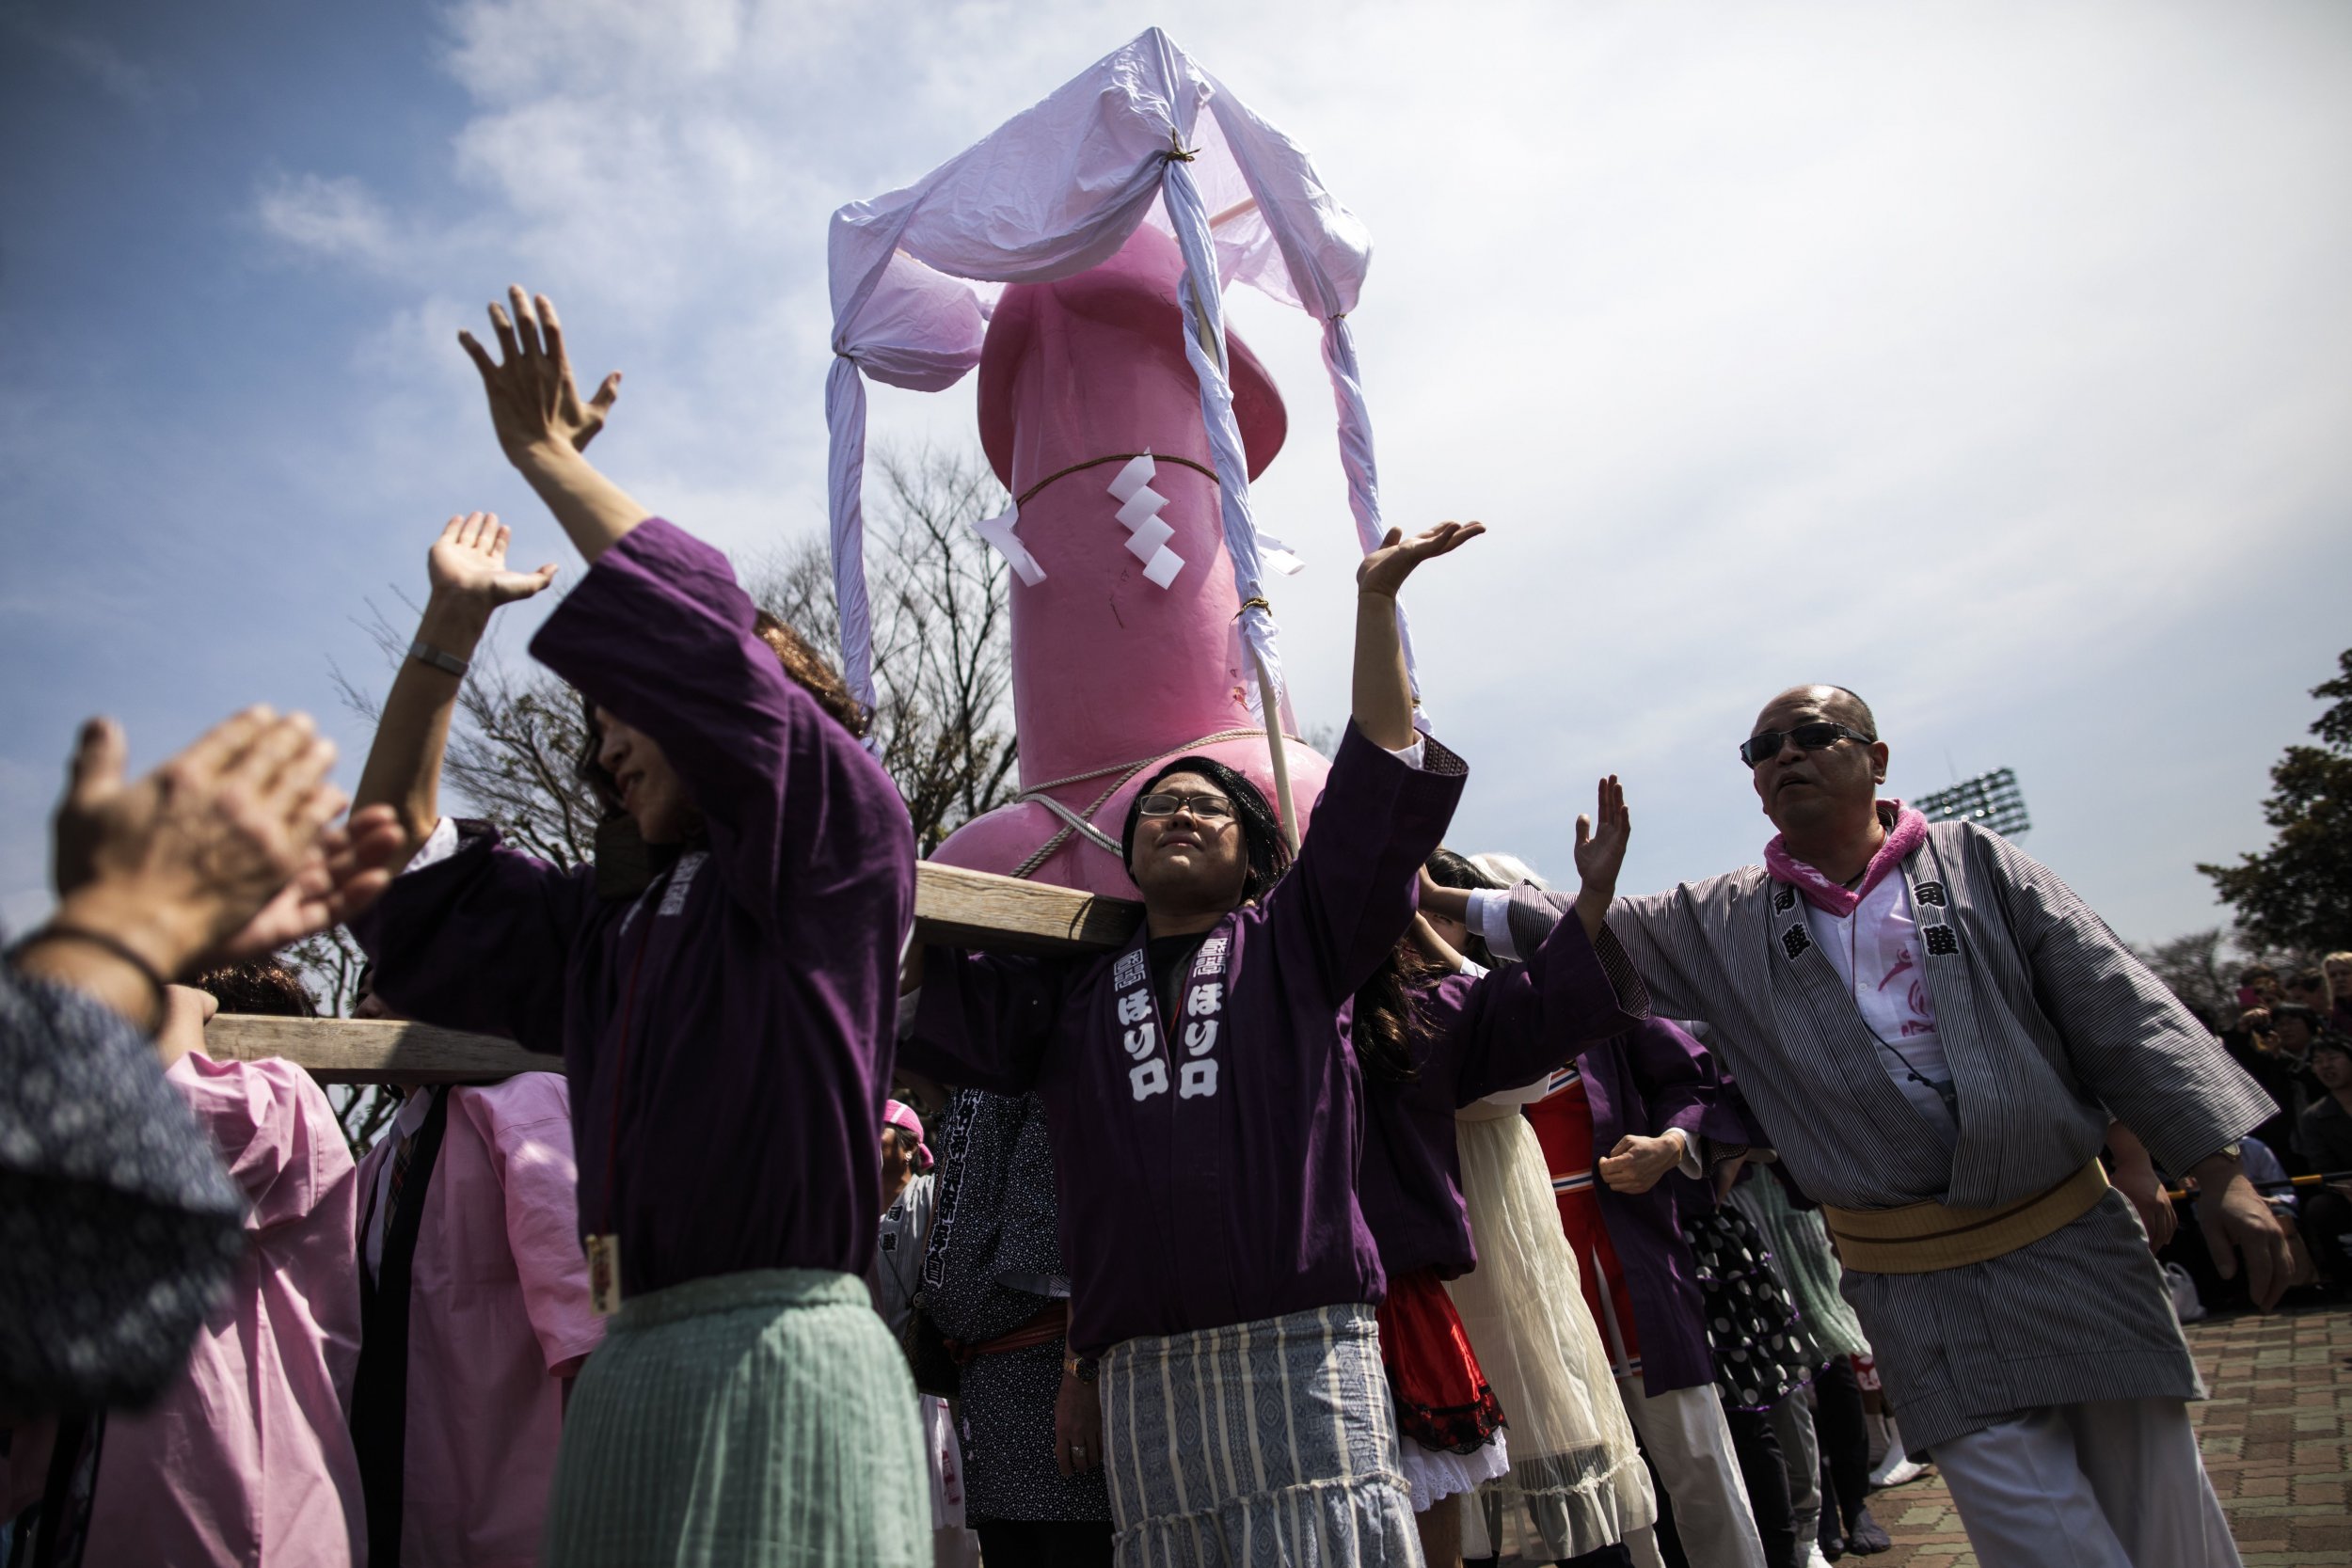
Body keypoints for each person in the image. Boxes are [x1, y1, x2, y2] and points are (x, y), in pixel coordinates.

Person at [349, 289, 926, 1566]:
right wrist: (448, 629)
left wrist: (548, 462)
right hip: (626, 1372)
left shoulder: (837, 842)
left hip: (780, 1354)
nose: (604, 740)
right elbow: (393, 877)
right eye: (594, 717)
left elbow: (715, 659)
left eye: (629, 701)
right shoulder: (606, 929)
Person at [1472, 684, 2286, 1568]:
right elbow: (1571, 924)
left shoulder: (1979, 863)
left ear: (1877, 757)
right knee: (2037, 1535)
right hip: (1914, 1277)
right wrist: (1425, 891)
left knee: (2164, 1512)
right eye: (1763, 749)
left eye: (1813, 735)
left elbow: (2120, 1011)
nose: (1785, 755)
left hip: (2070, 1239)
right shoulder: (1725, 918)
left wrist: (2224, 1175)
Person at [900, 520, 1484, 1566]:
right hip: (1142, 1368)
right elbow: (935, 1007)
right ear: (1125, 858)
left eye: (1205, 805)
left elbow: (1374, 793)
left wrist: (1373, 606)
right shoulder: (1069, 1000)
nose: (1177, 811)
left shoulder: (1301, 945)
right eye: (1158, 806)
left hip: (1301, 1347)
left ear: (1253, 851)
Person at [1432, 864, 1771, 1568]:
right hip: (1523, 1289)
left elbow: (1695, 1079)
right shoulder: (1441, 1023)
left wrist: (1671, 1143)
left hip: (1628, 1265)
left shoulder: (1592, 1007)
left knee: (1697, 1461)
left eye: (1445, 908)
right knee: (1600, 1496)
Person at [1357, 816, 1652, 1566]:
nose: (1426, 920)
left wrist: (1426, 930)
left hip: (1508, 1252)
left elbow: (1520, 1045)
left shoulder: (1467, 999)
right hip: (1428, 1274)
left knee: (1558, 1440)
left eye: (1443, 904)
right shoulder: (1361, 1005)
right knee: (1453, 1479)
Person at [82, 970, 367, 1567]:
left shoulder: (283, 1092)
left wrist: (178, 1011)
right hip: (145, 1498)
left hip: (247, 1499)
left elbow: (192, 1132)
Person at [348, 972, 603, 1568]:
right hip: (418, 1467)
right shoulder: (378, 1161)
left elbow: (591, 1302)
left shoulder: (525, 1105)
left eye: (390, 980)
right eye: (360, 990)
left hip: (524, 1467)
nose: (365, 1005)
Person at [914, 1089, 1114, 1568]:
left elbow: (1080, 1242)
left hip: (1048, 1379)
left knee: (1070, 1544)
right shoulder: (972, 1084)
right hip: (988, 1388)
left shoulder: (1039, 1064)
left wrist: (1079, 1372)